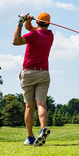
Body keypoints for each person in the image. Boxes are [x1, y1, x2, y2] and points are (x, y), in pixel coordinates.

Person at [12, 12, 54, 146]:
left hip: (29, 73)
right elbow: (31, 28)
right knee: (41, 104)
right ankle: (43, 129)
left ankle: (30, 137)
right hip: (43, 73)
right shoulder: (50, 35)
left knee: (29, 106)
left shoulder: (34, 35)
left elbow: (16, 41)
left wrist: (20, 22)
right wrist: (28, 22)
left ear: (38, 22)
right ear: (48, 23)